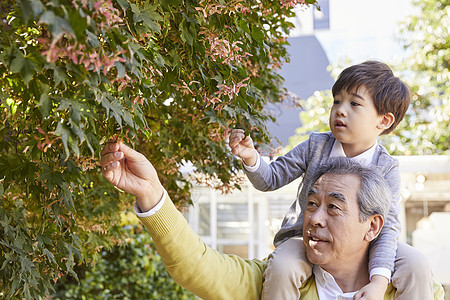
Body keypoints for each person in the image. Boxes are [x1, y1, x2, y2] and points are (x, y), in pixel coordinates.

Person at [99, 140, 444, 299]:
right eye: (310, 203)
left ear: (373, 226)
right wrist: (151, 194)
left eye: (333, 207)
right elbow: (197, 266)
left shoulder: (412, 287)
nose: (315, 219)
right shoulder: (275, 280)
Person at [228, 60, 433, 300]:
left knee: (416, 263)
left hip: (364, 248)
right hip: (306, 240)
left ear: (383, 121)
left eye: (354, 103)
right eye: (336, 101)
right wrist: (252, 157)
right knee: (283, 266)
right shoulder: (316, 145)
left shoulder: (386, 167)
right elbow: (271, 178)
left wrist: (379, 281)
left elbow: (386, 228)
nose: (340, 110)